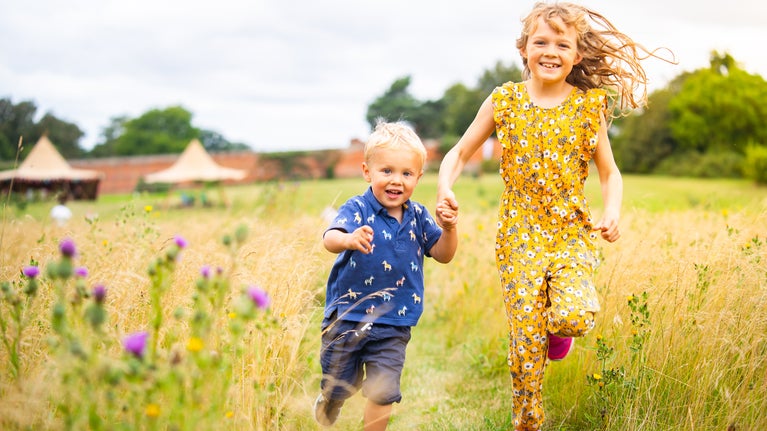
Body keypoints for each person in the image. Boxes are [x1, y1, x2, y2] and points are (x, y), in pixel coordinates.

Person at [436, 3, 673, 430]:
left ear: (577, 55)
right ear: (524, 48)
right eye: (541, 42)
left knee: (574, 315)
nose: (550, 51)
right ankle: (528, 422)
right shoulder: (504, 100)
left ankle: (557, 331)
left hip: (570, 232)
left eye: (562, 44)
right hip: (518, 234)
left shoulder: (587, 107)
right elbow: (458, 152)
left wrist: (612, 210)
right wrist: (445, 186)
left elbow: (609, 171)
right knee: (525, 343)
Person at [315, 121, 458, 430]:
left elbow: (444, 255)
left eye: (406, 174)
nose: (396, 181)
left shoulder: (419, 216)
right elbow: (330, 238)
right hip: (348, 317)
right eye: (387, 171)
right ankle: (332, 397)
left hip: (395, 322)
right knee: (341, 382)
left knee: (383, 391)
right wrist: (349, 240)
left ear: (418, 177)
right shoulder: (357, 209)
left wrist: (449, 228)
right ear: (368, 172)